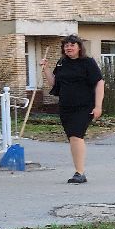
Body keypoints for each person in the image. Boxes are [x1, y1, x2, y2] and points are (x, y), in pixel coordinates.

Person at [41, 34, 104, 184]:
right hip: (66, 107)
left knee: (76, 136)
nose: (68, 47)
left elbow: (99, 83)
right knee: (73, 138)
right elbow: (54, 84)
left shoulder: (88, 63)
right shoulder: (62, 63)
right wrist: (46, 69)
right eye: (66, 45)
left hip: (84, 107)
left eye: (72, 45)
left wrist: (98, 106)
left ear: (79, 47)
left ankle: (80, 172)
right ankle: (79, 171)